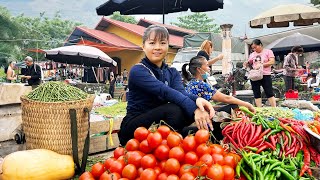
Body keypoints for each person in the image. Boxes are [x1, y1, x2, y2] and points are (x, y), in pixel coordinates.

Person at [118, 25, 215, 145]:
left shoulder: (172, 72)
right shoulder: (138, 71)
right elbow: (165, 92)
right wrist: (195, 109)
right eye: (152, 43)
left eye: (162, 43)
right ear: (143, 46)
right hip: (134, 129)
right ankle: (179, 138)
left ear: (167, 46)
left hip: (159, 126)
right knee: (174, 110)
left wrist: (198, 100)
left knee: (193, 110)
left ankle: (183, 138)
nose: (157, 47)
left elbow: (181, 93)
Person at [182, 56, 256, 140]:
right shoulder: (200, 84)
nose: (209, 68)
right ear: (199, 69)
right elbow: (226, 98)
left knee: (222, 111)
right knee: (234, 107)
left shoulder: (192, 83)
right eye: (207, 65)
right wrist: (247, 105)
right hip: (197, 123)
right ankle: (217, 137)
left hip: (191, 121)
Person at [243, 39, 276, 107]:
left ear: (260, 45)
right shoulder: (252, 54)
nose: (254, 49)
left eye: (255, 47)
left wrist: (262, 65)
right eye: (253, 48)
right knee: (256, 93)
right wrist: (247, 63)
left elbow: (272, 62)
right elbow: (250, 63)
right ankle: (259, 109)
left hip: (265, 74)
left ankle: (274, 108)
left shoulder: (268, 52)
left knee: (269, 92)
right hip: (255, 75)